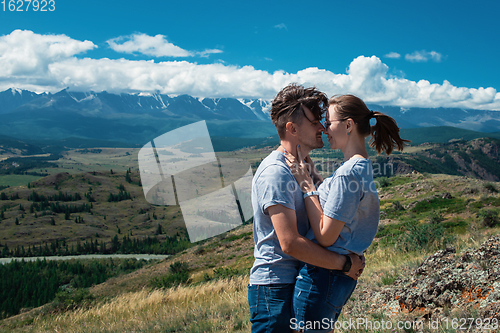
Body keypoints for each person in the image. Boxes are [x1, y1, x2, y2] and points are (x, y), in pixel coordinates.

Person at [286, 94, 410, 332]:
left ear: (349, 125)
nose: (324, 128)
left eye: (329, 122)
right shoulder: (362, 166)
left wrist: (306, 186)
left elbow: (325, 236)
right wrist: (317, 179)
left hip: (322, 276)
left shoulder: (347, 173)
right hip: (338, 277)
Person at [248, 85, 365, 333]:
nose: (322, 128)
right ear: (292, 128)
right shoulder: (276, 173)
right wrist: (344, 264)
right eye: (314, 123)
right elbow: (289, 243)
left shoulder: (301, 168)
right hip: (275, 289)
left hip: (292, 282)